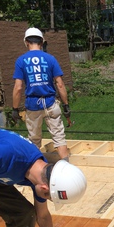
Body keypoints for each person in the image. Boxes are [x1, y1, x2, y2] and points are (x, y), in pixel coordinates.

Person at [12, 27, 71, 160]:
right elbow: (60, 84)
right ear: (42, 41)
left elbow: (18, 87)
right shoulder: (50, 59)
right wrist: (66, 105)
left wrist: (15, 109)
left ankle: (37, 171)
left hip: (33, 104)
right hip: (50, 103)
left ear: (26, 42)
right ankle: (67, 169)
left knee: (34, 140)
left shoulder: (21, 61)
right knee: (59, 138)